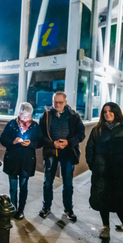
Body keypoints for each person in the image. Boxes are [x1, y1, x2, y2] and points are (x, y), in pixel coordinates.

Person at [85, 102, 123, 243]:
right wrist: (93, 165)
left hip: (120, 174)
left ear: (116, 112)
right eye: (105, 112)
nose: (107, 114)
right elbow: (90, 148)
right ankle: (105, 227)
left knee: (121, 203)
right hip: (101, 173)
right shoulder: (97, 130)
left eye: (110, 111)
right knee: (103, 202)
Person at [38, 91, 85, 222]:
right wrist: (52, 144)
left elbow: (81, 134)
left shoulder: (74, 116)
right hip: (51, 153)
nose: (57, 104)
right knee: (48, 182)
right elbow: (40, 136)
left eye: (60, 102)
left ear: (65, 102)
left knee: (68, 184)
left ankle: (68, 209)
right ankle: (46, 207)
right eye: (55, 102)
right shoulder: (46, 116)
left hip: (68, 153)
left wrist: (69, 143)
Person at [0, 102, 43, 220]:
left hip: (27, 161)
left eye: (27, 116)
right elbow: (2, 139)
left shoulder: (35, 126)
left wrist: (31, 144)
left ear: (31, 115)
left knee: (23, 187)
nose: (24, 119)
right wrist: (13, 141)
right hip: (12, 160)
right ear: (18, 114)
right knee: (13, 187)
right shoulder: (12, 124)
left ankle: (21, 210)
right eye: (22, 116)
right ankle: (13, 207)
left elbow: (40, 141)